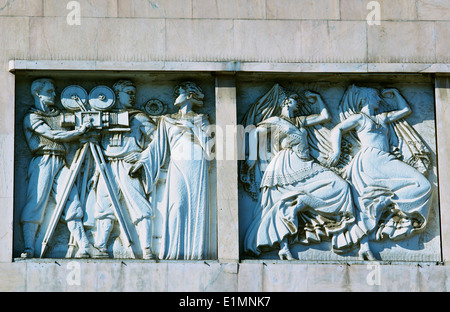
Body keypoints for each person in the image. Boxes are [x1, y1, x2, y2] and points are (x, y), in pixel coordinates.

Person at [242, 85, 365, 260]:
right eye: (295, 100)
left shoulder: (300, 121)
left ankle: (307, 205)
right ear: (286, 102)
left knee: (341, 185)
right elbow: (255, 133)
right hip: (286, 165)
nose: (298, 103)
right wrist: (251, 158)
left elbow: (325, 117)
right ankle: (283, 247)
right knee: (279, 203)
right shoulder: (275, 121)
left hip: (307, 163)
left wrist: (317, 98)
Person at [328, 86, 432, 256]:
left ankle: (388, 204)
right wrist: (336, 151)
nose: (379, 99)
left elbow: (406, 110)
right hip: (368, 161)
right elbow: (336, 129)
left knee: (423, 185)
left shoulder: (381, 118)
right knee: (364, 202)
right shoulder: (360, 118)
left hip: (385, 159)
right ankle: (364, 245)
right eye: (376, 96)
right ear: (366, 98)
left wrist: (396, 93)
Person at [131, 82, 213, 260]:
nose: (176, 94)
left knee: (195, 208)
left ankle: (195, 253)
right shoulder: (167, 120)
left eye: (180, 91)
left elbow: (210, 148)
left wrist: (193, 128)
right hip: (177, 163)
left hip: (197, 163)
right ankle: (174, 252)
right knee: (177, 206)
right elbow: (156, 147)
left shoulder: (202, 119)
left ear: (190, 95)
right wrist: (142, 160)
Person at [21, 78, 92, 258]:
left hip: (60, 161)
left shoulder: (58, 114)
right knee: (36, 202)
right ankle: (29, 247)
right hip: (43, 161)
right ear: (38, 93)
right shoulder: (32, 116)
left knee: (72, 199)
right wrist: (79, 131)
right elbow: (52, 134)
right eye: (50, 91)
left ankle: (84, 245)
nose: (55, 94)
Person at [93, 80, 157, 259]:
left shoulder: (138, 117)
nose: (132, 96)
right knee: (104, 206)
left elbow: (159, 141)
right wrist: (96, 171)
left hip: (128, 166)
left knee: (139, 205)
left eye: (133, 93)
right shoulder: (102, 116)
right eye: (128, 92)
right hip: (106, 165)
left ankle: (146, 249)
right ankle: (101, 247)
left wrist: (142, 156)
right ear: (116, 94)